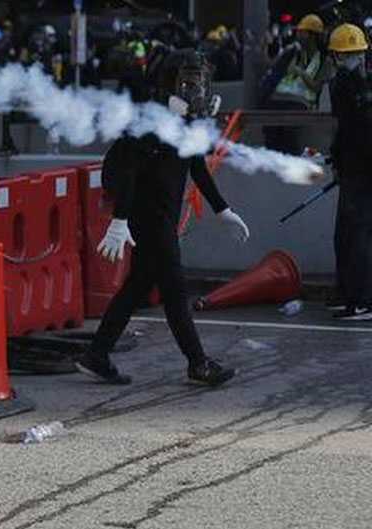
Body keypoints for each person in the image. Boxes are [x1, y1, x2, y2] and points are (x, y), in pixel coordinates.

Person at [75, 50, 249, 386]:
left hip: (161, 217)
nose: (197, 87)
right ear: (171, 82)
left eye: (199, 80)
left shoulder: (185, 122)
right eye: (190, 80)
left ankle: (97, 354)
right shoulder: (152, 121)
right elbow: (129, 171)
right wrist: (120, 219)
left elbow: (195, 165)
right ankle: (198, 364)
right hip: (150, 217)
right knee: (173, 290)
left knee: (138, 284)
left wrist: (223, 209)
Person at [326, 24, 372, 320]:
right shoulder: (346, 85)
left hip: (363, 171)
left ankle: (363, 300)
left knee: (359, 237)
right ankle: (347, 294)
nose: (348, 59)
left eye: (354, 54)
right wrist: (337, 158)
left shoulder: (355, 86)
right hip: (352, 169)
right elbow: (345, 129)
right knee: (345, 235)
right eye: (346, 54)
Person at [262, 14, 331, 155]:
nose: (298, 34)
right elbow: (271, 66)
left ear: (312, 36)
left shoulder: (324, 60)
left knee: (289, 138)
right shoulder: (293, 52)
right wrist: (265, 48)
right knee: (271, 135)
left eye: (302, 32)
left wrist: (299, 72)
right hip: (278, 98)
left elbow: (317, 87)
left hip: (300, 102)